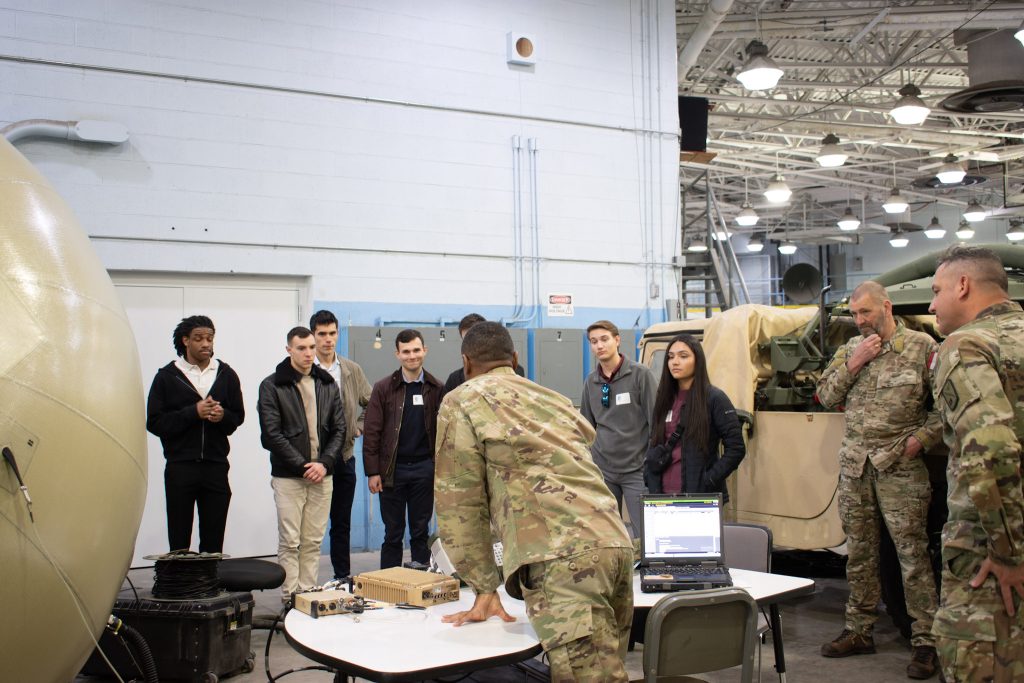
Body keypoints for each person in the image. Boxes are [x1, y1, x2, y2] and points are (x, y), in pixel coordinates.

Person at [435, 322, 634, 683]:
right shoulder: (550, 398)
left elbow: (459, 503)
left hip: (565, 558)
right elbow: (585, 440)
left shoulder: (461, 400)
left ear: (465, 364)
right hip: (615, 543)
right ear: (513, 358)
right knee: (609, 672)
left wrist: (483, 586)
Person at [816, 281, 941, 679]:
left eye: (865, 313)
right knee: (860, 555)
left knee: (912, 556)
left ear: (886, 307)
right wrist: (854, 365)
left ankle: (926, 641)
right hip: (855, 468)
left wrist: (919, 440)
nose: (859, 321)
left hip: (900, 468)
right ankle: (859, 630)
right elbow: (824, 395)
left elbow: (946, 407)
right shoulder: (851, 349)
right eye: (854, 314)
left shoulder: (923, 347)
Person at [927, 245, 1024, 682]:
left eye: (937, 290)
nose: (931, 305)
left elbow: (989, 449)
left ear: (963, 286)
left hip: (991, 558)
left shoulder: (966, 346)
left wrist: (1009, 552)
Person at [258, 326, 345, 601]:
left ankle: (307, 595)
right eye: (302, 348)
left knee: (313, 541)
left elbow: (339, 429)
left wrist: (324, 463)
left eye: (311, 347)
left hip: (323, 475)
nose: (308, 353)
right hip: (289, 477)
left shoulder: (327, 384)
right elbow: (271, 434)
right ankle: (289, 598)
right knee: (290, 541)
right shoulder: (272, 385)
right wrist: (303, 466)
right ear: (289, 350)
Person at [146, 315, 244, 553]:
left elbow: (237, 416)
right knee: (179, 535)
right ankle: (182, 587)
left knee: (213, 534)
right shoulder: (167, 376)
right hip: (181, 466)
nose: (206, 344)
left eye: (210, 338)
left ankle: (209, 586)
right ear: (185, 341)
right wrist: (193, 412)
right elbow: (155, 422)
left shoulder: (225, 374)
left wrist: (222, 417)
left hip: (216, 465)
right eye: (199, 338)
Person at [362, 329, 443, 569]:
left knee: (420, 532)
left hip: (424, 470)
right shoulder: (383, 388)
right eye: (406, 351)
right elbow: (372, 431)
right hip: (391, 472)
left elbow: (444, 433)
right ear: (397, 354)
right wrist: (373, 472)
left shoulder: (436, 388)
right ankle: (389, 585)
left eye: (416, 350)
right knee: (393, 533)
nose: (412, 356)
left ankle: (420, 585)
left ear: (424, 351)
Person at [309, 310, 373, 582]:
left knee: (341, 523)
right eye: (321, 334)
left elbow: (371, 404)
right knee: (310, 527)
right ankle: (305, 581)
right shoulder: (304, 369)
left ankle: (342, 575)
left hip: (344, 457)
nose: (327, 340)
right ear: (313, 335)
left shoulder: (350, 370)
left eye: (332, 333)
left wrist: (359, 424)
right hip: (312, 459)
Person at [580, 320, 657, 537]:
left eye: (604, 339)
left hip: (636, 470)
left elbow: (656, 423)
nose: (599, 346)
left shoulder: (640, 375)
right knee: (606, 532)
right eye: (593, 342)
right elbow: (586, 427)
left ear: (617, 340)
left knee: (645, 534)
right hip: (604, 470)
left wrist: (649, 462)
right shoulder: (591, 382)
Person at [645, 334, 745, 499]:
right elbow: (654, 441)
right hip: (661, 497)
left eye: (683, 356)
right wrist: (649, 475)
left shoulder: (714, 398)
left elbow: (736, 448)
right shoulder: (664, 398)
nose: (675, 362)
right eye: (670, 357)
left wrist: (708, 480)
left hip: (700, 498)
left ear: (697, 360)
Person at [442, 313, 525, 395]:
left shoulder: (514, 371)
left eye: (476, 338)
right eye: (466, 340)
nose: (472, 344)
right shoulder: (454, 379)